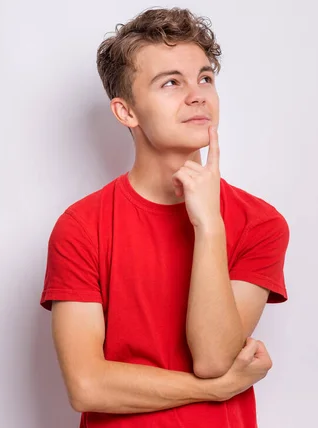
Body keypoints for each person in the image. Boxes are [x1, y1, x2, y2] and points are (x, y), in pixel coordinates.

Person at [40, 7, 290, 428]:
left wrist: (209, 225)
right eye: (171, 82)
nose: (198, 95)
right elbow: (87, 386)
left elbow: (213, 358)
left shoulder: (259, 223)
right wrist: (213, 390)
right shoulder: (82, 226)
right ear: (126, 112)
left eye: (205, 78)